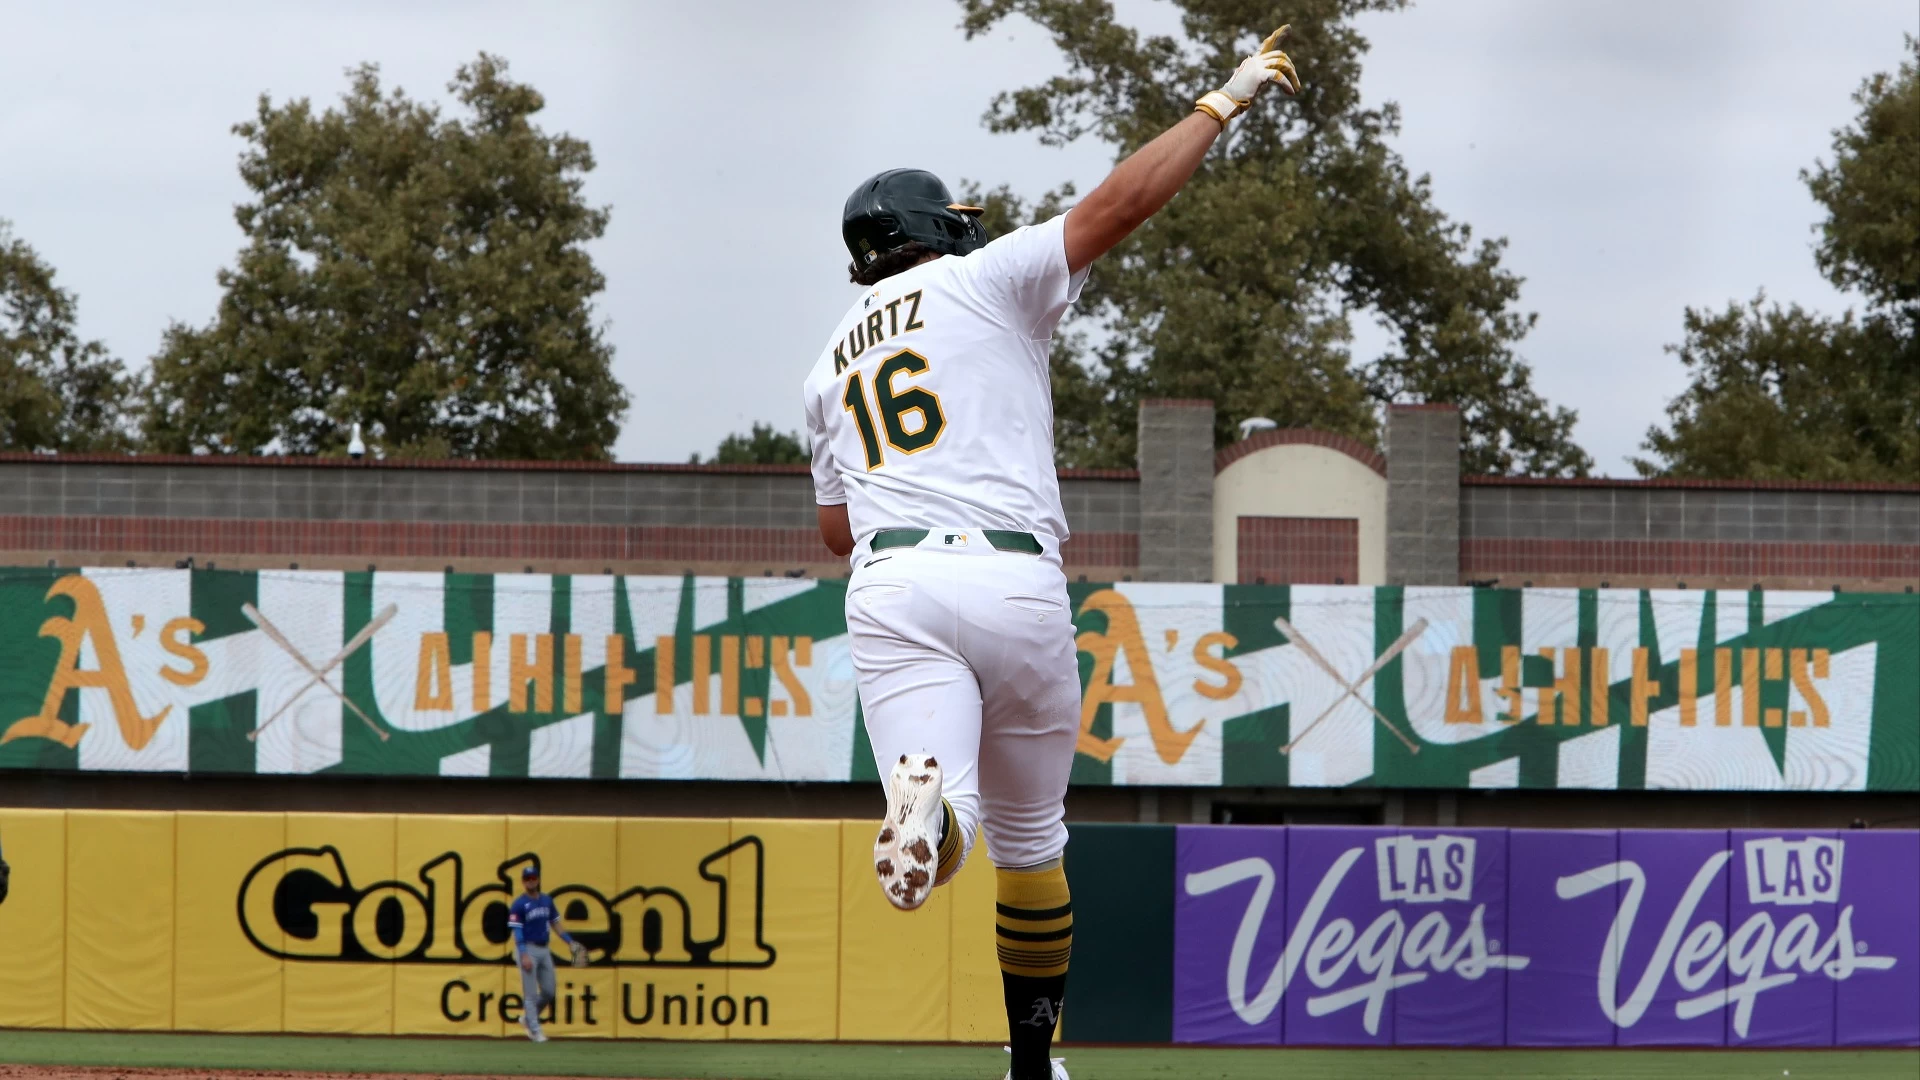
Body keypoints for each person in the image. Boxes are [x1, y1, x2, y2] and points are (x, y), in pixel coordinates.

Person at [801, 25, 1301, 1080]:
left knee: (953, 818)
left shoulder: (823, 370)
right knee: (1033, 842)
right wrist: (1222, 102)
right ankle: (1033, 1066)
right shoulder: (981, 279)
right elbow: (1117, 205)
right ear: (937, 227)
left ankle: (930, 819)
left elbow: (836, 530)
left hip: (891, 579)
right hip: (1012, 573)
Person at [507, 863, 586, 1043]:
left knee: (549, 991)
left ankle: (527, 1020)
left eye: (533, 878)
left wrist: (569, 941)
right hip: (527, 948)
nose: (530, 881)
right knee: (530, 993)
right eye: (527, 879)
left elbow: (555, 924)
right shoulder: (519, 904)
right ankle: (535, 1030)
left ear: (538, 880)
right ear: (523, 882)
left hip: (544, 949)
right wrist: (523, 954)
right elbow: (517, 931)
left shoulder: (546, 901)